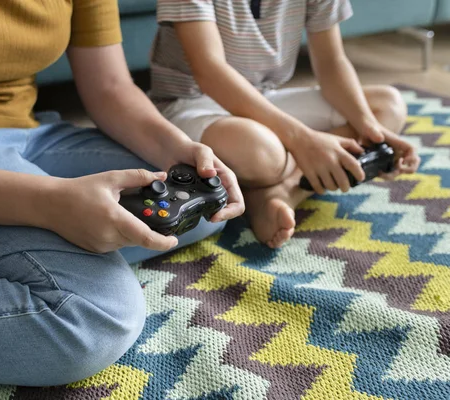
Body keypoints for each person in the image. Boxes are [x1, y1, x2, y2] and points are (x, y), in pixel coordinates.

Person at [0, 0, 245, 388]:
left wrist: (175, 150)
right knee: (92, 317)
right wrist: (52, 203)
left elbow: (110, 86)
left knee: (185, 213)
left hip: (26, 131)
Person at [149, 0, 421, 248]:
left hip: (262, 96)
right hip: (190, 102)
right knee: (262, 153)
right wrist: (303, 140)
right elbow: (210, 72)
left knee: (387, 106)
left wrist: (370, 129)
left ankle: (283, 191)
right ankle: (282, 175)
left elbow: (331, 63)